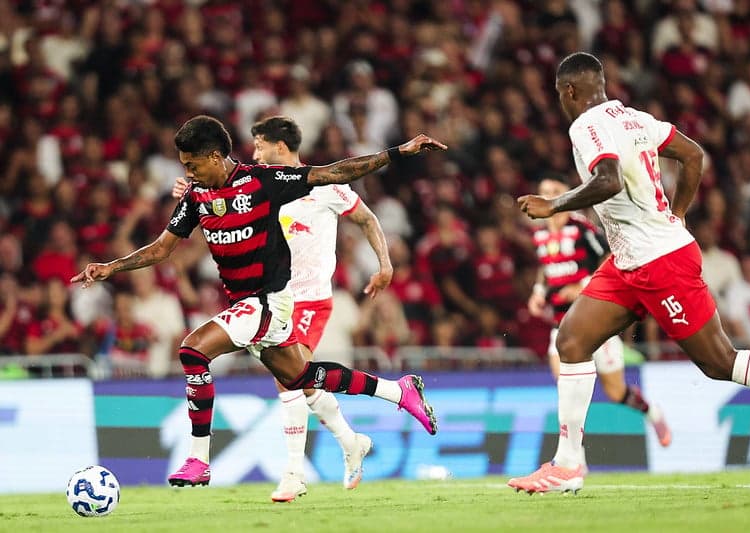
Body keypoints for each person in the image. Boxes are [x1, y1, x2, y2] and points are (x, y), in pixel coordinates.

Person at [72, 115, 444, 490]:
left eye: (192, 164)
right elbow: (163, 248)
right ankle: (398, 391)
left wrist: (398, 151)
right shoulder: (197, 197)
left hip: (269, 301)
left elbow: (334, 173)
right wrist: (111, 267)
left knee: (192, 351)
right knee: (301, 377)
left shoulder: (263, 181)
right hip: (247, 304)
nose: (188, 172)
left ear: (215, 157)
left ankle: (200, 459)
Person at [509, 52, 750, 494]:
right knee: (571, 340)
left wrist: (555, 204)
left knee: (720, 363)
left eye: (558, 93)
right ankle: (566, 466)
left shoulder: (584, 126)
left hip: (662, 263)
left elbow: (608, 180)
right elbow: (694, 155)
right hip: (628, 261)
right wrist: (677, 212)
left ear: (568, 91)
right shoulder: (634, 118)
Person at [171, 116, 393, 501]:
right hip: (269, 294)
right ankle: (354, 435)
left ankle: (293, 473)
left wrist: (385, 264)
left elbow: (366, 217)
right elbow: (226, 189)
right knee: (300, 379)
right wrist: (196, 187)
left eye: (260, 146)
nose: (254, 153)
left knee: (289, 380)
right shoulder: (262, 185)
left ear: (281, 146)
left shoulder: (323, 187)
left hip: (307, 296)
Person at [527, 175, 671, 465]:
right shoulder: (541, 236)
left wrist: (582, 285)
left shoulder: (582, 229)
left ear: (566, 197)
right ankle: (574, 459)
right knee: (566, 389)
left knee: (616, 392)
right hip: (561, 325)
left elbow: (612, 258)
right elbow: (545, 269)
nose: (549, 196)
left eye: (555, 191)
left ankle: (651, 412)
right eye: (544, 192)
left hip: (594, 324)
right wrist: (538, 291)